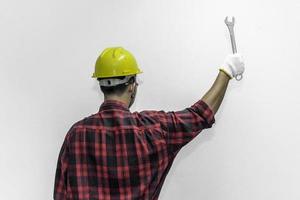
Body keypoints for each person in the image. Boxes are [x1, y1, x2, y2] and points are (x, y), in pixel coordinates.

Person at [54, 47, 245, 199]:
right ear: (131, 86)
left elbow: (61, 195)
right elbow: (200, 114)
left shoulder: (76, 135)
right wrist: (227, 71)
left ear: (101, 85)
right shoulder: (154, 129)